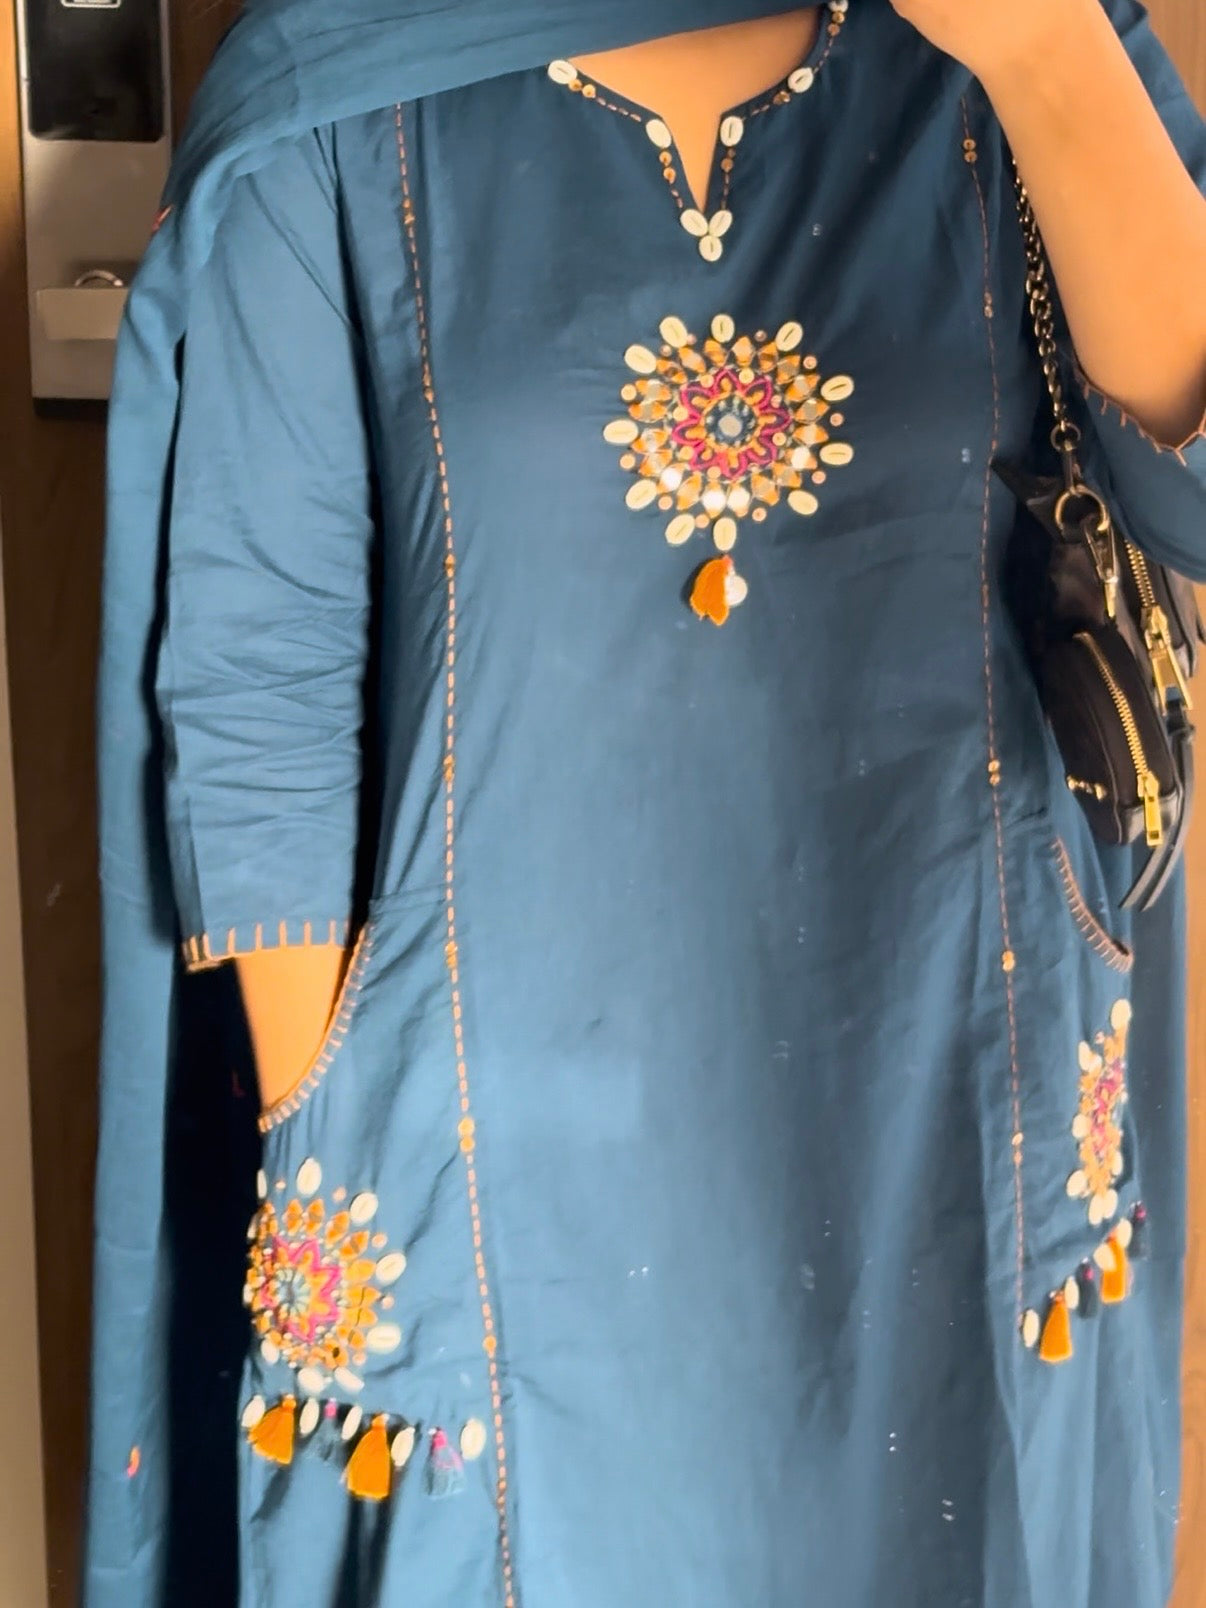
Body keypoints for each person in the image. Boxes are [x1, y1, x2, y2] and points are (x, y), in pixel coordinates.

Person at [85, 0, 1206, 1603]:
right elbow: (262, 659)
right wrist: (341, 1108)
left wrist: (1039, 57)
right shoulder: (342, 75)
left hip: (947, 1068)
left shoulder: (1015, 50)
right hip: (495, 1131)